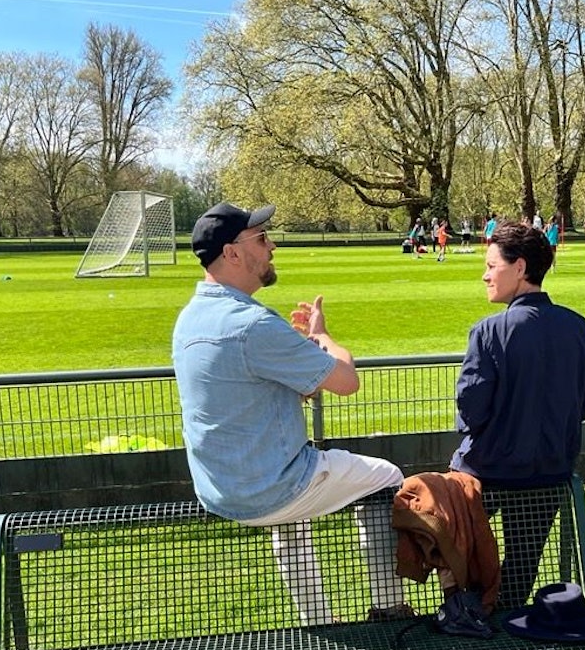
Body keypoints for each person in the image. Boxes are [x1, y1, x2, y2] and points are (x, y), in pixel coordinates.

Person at [172, 201, 411, 626]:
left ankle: (317, 621)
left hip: (219, 490)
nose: (272, 246)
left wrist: (296, 364)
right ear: (232, 253)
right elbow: (345, 382)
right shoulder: (252, 323)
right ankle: (389, 608)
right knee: (387, 478)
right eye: (261, 239)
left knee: (292, 513)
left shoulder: (190, 318)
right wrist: (322, 336)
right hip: (270, 488)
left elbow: (245, 393)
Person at [451, 221, 585, 608]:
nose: (485, 275)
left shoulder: (488, 332)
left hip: (487, 471)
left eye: (491, 265)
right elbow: (583, 404)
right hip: (550, 470)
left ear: (519, 268)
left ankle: (467, 615)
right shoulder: (578, 328)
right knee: (522, 565)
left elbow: (470, 409)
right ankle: (506, 618)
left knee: (459, 551)